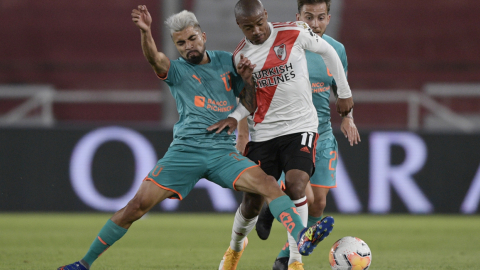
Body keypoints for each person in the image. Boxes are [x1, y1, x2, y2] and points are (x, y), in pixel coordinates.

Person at [57, 6, 329, 270]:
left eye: (191, 39)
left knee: (269, 184)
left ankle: (302, 236)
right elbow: (155, 58)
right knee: (136, 207)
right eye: (181, 43)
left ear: (203, 37)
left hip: (222, 153)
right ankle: (84, 263)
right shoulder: (175, 70)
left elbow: (249, 103)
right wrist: (145, 32)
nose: (188, 46)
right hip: (185, 152)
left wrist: (247, 81)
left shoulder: (228, 61)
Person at [210, 0, 354, 269]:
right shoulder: (240, 58)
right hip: (263, 135)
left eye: (259, 23)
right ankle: (235, 248)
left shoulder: (293, 32)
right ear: (240, 26)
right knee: (251, 203)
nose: (256, 31)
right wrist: (238, 110)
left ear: (266, 15)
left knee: (299, 184)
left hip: (301, 129)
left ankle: (295, 262)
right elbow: (248, 103)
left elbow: (329, 51)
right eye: (248, 27)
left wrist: (345, 94)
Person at [250, 1, 361, 269]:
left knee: (319, 205)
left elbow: (340, 87)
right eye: (308, 17)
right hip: (293, 131)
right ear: (297, 17)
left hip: (322, 131)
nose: (314, 23)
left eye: (321, 17)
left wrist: (348, 118)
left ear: (329, 18)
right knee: (306, 196)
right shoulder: (286, 44)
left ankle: (285, 253)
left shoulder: (336, 50)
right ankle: (285, 247)